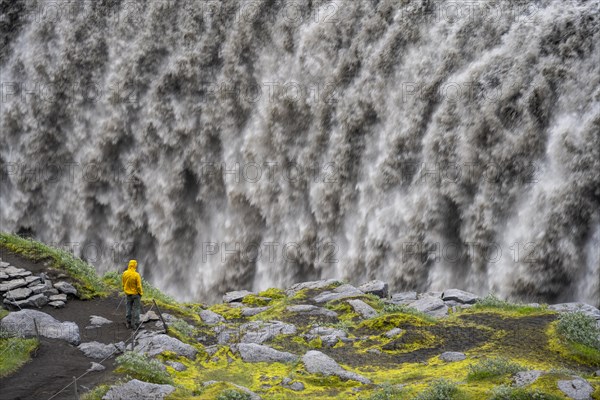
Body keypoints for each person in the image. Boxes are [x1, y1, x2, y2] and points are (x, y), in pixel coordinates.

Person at [122, 259, 143, 329]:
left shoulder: (125, 273)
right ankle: (136, 324)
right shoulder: (137, 275)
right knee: (137, 309)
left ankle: (128, 323)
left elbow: (123, 283)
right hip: (136, 295)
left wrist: (125, 290)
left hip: (128, 294)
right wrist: (140, 293)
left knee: (128, 308)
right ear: (135, 266)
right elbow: (139, 286)